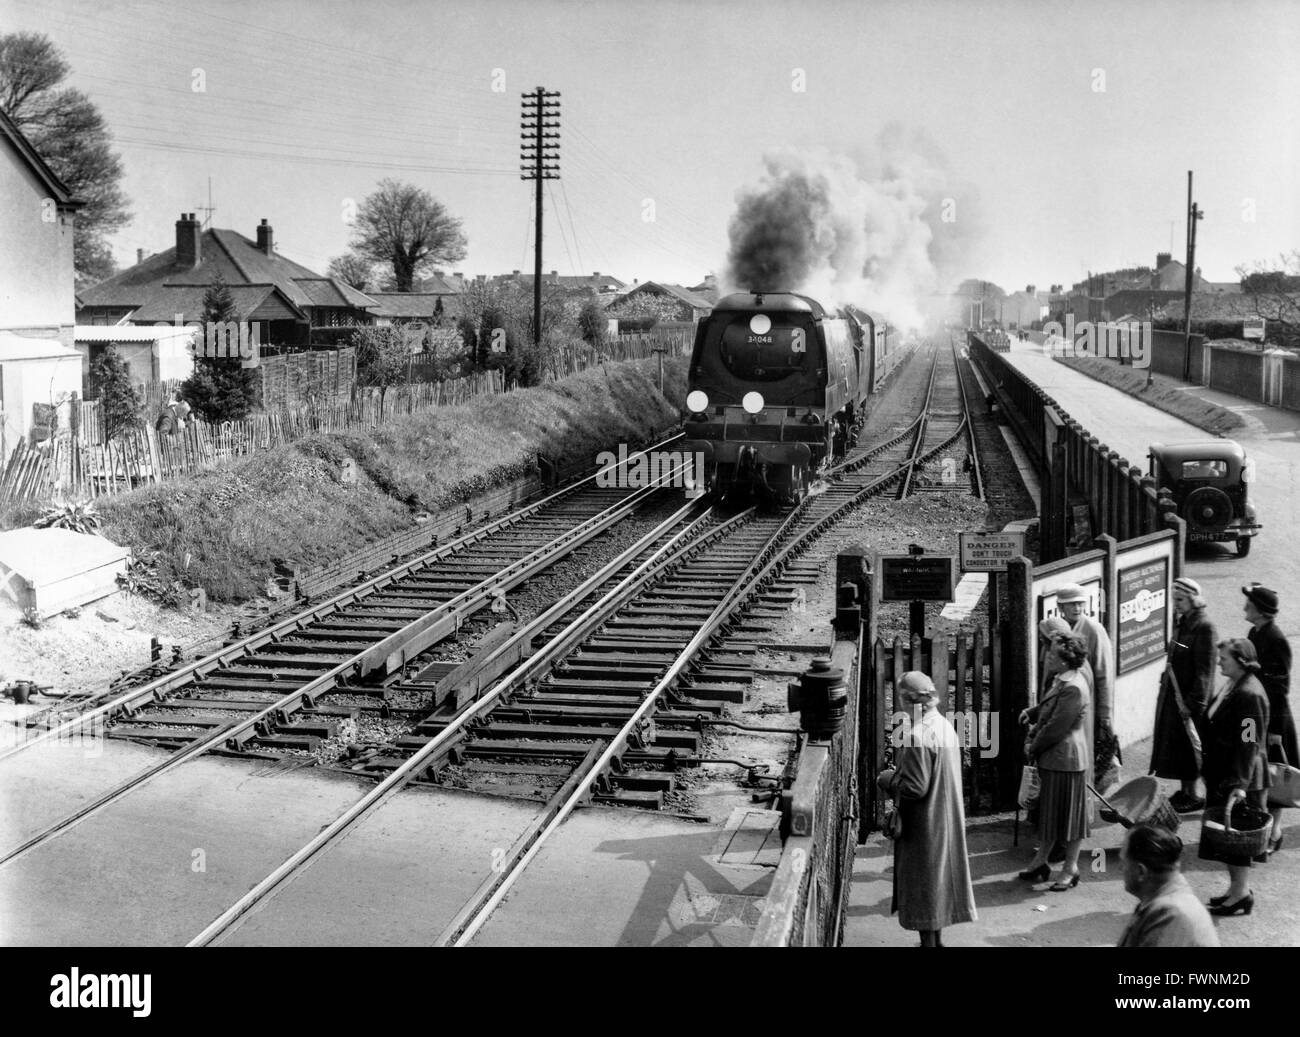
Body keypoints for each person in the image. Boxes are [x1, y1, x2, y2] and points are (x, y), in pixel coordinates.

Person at [877, 671, 977, 946]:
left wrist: (889, 779)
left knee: (923, 884)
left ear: (907, 700)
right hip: (946, 817)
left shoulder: (916, 735)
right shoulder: (944, 726)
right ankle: (936, 941)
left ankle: (928, 944)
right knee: (938, 883)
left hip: (925, 824)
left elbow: (915, 787)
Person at [1201, 638, 1271, 916]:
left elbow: (1249, 742)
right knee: (1226, 836)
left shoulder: (1249, 695)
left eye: (1224, 659)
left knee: (1237, 836)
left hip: (1238, 777)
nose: (1219, 662)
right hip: (1224, 773)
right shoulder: (1234, 685)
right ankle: (1235, 889)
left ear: (1242, 661)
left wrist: (1239, 784)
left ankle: (1241, 893)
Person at [1018, 634, 1092, 891]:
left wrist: (1032, 746)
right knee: (1050, 816)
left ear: (1065, 660)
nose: (1047, 658)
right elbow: (1050, 709)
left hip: (1066, 760)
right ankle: (1041, 862)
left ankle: (1070, 869)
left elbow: (1056, 728)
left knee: (1069, 820)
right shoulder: (1061, 680)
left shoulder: (1074, 687)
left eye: (1052, 655)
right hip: (1054, 759)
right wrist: (1033, 712)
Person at [1151, 577, 1216, 813]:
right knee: (1179, 746)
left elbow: (1205, 670)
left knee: (1191, 747)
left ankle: (1194, 793)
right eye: (1174, 600)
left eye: (1180, 600)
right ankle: (1186, 790)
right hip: (1176, 695)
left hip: (1189, 700)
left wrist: (1194, 703)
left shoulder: (1204, 626)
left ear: (1193, 599)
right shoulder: (1184, 622)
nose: (1176, 604)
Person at [1244, 583, 1296, 856]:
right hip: (1258, 714)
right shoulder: (1255, 631)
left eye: (1249, 605)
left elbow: (1280, 687)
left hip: (1275, 720)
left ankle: (1274, 831)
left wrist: (1275, 728)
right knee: (1262, 772)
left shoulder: (1276, 639)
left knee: (1276, 775)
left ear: (1262, 612)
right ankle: (1263, 828)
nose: (1244, 609)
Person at [1055, 583, 1118, 786]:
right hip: (1066, 705)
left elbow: (1104, 676)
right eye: (1071, 604)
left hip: (1089, 707)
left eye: (1080, 603)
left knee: (1089, 754)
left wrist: (1106, 715)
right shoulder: (1059, 630)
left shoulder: (1093, 629)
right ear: (1060, 607)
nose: (1077, 608)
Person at [1117, 823, 1219, 947]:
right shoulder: (1167, 897)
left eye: (1123, 862)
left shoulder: (1169, 914)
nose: (1120, 868)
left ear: (1141, 872)